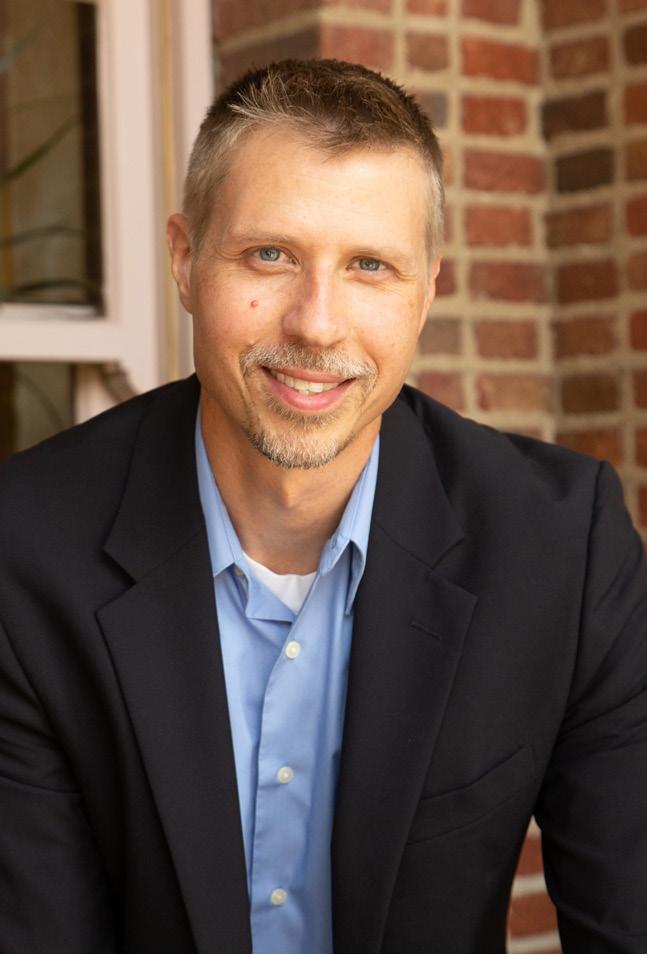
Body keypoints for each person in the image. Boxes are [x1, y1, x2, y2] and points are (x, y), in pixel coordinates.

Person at [0, 58, 646, 954]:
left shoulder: (559, 548)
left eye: (369, 266)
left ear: (425, 293)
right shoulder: (24, 549)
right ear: (184, 262)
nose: (316, 323)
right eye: (270, 255)